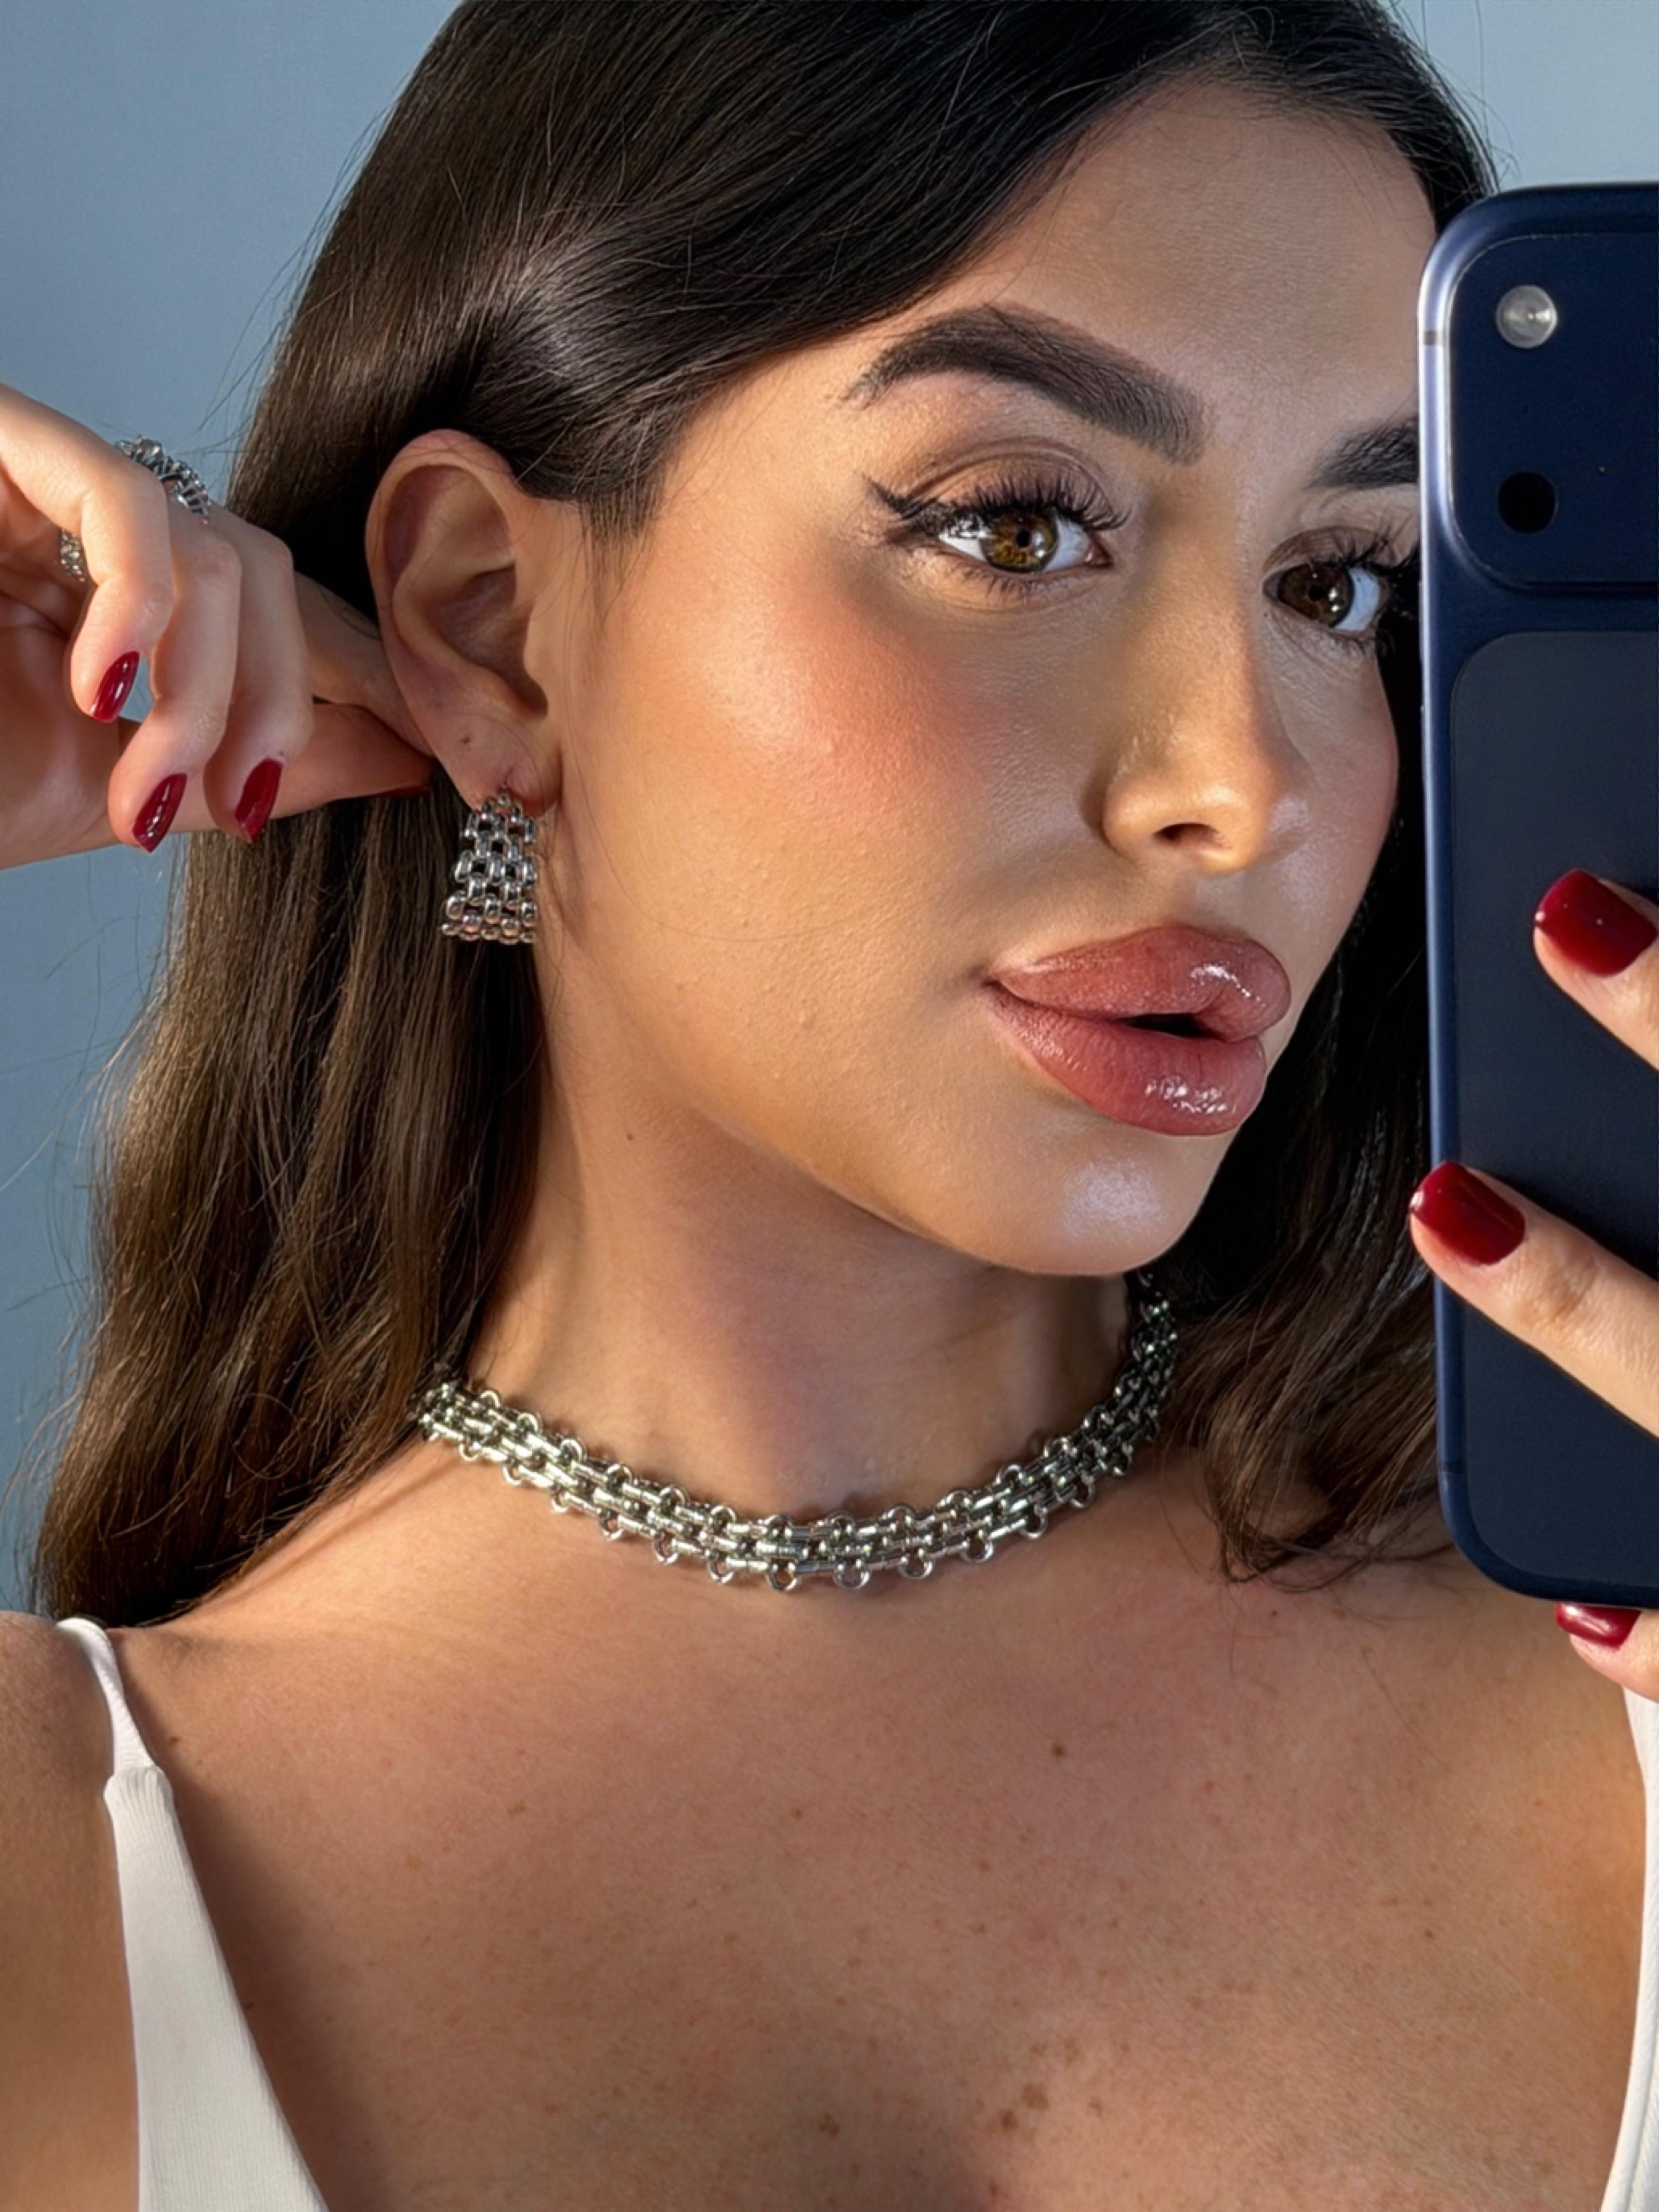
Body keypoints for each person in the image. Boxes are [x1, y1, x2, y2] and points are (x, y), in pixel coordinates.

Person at [1, 2, 1655, 2205]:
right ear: (491, 624)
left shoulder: (1631, 1690)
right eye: (1017, 528)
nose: (1244, 785)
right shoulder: (66, 1863)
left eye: (1339, 585)